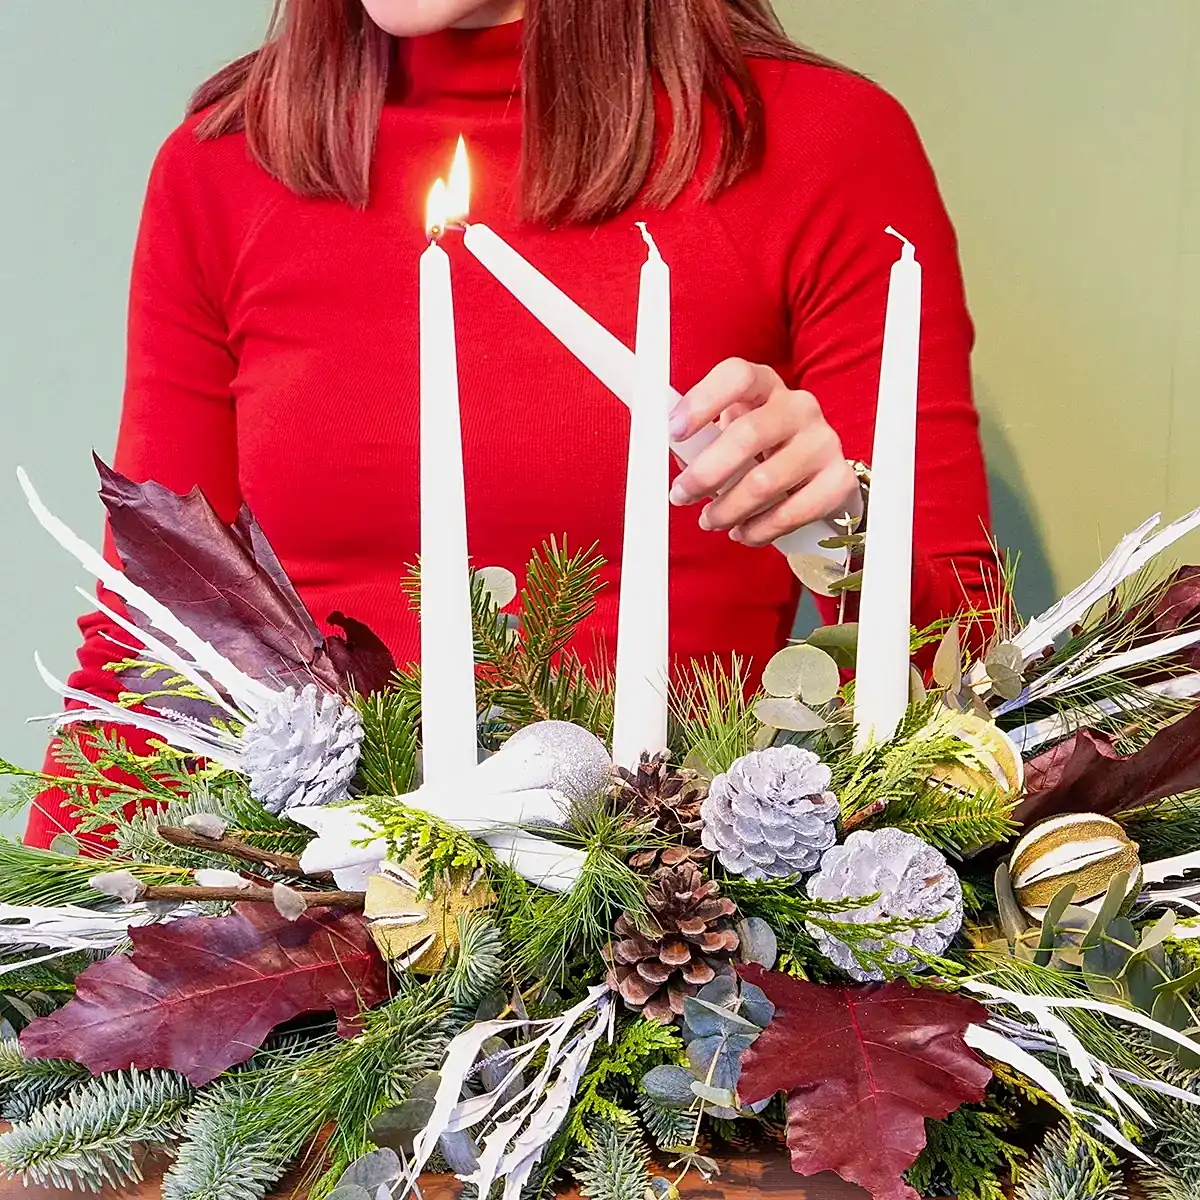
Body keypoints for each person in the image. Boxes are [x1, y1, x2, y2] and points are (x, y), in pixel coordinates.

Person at [25, 0, 993, 847]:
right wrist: (43, 992)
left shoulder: (815, 143)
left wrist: (838, 529)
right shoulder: (228, 163)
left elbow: (962, 660)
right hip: (297, 926)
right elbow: (151, 645)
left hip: (662, 934)